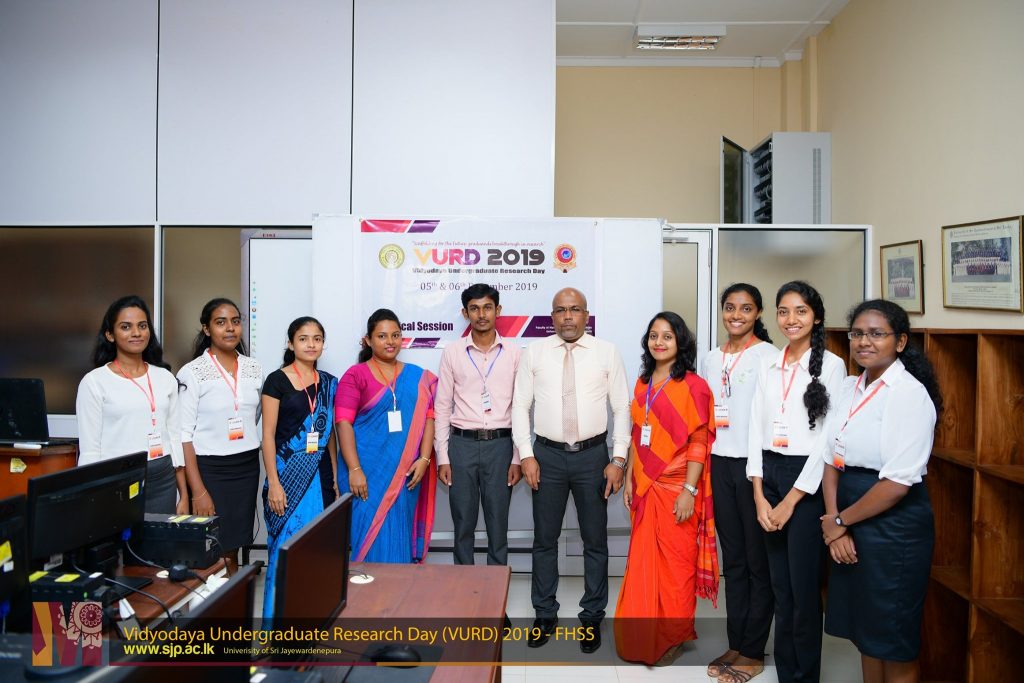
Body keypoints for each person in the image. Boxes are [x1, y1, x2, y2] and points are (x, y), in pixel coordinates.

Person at [820, 300, 941, 683]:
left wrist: (840, 522)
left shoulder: (908, 394)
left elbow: (896, 485)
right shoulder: (849, 387)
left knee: (893, 639)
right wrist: (834, 523)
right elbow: (830, 458)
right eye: (857, 333)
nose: (864, 342)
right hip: (848, 515)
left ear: (900, 342)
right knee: (865, 634)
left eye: (876, 334)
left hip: (893, 529)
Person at [511, 287, 630, 654]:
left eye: (574, 309)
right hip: (545, 457)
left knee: (595, 541)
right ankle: (544, 614)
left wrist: (618, 459)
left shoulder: (606, 352)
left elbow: (622, 408)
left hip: (593, 458)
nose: (567, 316)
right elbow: (520, 406)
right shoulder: (535, 352)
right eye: (560, 310)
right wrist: (526, 455)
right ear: (552, 316)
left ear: (586, 315)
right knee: (544, 540)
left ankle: (592, 617)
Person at [745, 281, 846, 683]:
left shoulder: (833, 366)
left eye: (801, 311)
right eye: (784, 311)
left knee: (803, 590)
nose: (791, 319)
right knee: (780, 587)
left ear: (816, 317)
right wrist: (758, 493)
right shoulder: (770, 363)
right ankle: (786, 672)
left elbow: (826, 442)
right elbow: (755, 427)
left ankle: (804, 676)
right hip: (769, 473)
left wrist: (790, 501)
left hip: (807, 480)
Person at [614, 312, 719, 666]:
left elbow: (699, 441)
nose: (659, 342)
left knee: (676, 568)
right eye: (654, 336)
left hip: (676, 488)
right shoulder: (642, 383)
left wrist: (689, 489)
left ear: (680, 342)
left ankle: (674, 636)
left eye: (667, 336)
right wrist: (630, 477)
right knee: (645, 564)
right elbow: (637, 434)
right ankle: (642, 634)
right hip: (644, 485)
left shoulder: (694, 386)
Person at [700, 284, 778, 681]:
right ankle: (737, 642)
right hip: (719, 464)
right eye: (730, 307)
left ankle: (753, 650)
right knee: (733, 560)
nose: (736, 315)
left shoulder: (770, 356)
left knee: (757, 561)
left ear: (758, 313)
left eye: (746, 309)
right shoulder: (712, 358)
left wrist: (760, 471)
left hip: (754, 467)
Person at [335, 309, 438, 563]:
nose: (390, 341)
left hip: (405, 474)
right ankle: (369, 588)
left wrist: (424, 459)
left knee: (399, 536)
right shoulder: (355, 375)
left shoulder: (418, 377)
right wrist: (354, 469)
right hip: (365, 474)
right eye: (382, 336)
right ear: (368, 340)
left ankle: (398, 588)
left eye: (395, 335)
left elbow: (429, 417)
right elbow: (343, 424)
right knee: (367, 537)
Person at [434, 283, 522, 566]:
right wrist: (443, 456)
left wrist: (518, 456)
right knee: (463, 524)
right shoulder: (453, 352)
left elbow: (521, 408)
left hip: (501, 446)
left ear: (498, 310)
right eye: (474, 308)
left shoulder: (515, 352)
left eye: (487, 308)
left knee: (498, 526)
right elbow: (442, 406)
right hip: (462, 446)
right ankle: (464, 590)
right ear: (465, 313)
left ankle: (495, 592)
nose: (481, 314)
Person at [76, 295, 187, 514]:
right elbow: (90, 451)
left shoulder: (164, 377)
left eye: (142, 326)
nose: (136, 333)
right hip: (116, 478)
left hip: (162, 478)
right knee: (121, 536)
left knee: (158, 536)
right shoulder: (95, 382)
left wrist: (183, 494)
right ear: (110, 334)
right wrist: (92, 498)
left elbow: (174, 437)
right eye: (126, 327)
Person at [260, 316, 338, 623]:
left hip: (322, 476)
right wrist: (274, 484)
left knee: (317, 553)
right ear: (291, 344)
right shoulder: (276, 381)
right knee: (285, 550)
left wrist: (335, 478)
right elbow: (267, 436)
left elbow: (329, 436)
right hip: (286, 478)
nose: (311, 344)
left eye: (317, 338)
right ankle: (277, 628)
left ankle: (313, 624)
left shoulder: (329, 382)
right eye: (303, 339)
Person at [177, 298, 263, 568]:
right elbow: (184, 435)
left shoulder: (254, 368)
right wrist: (197, 491)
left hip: (246, 466)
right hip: (209, 469)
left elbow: (254, 415)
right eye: (221, 322)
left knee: (234, 544)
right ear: (206, 329)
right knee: (212, 548)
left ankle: (233, 589)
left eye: (235, 322)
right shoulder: (192, 372)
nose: (230, 328)